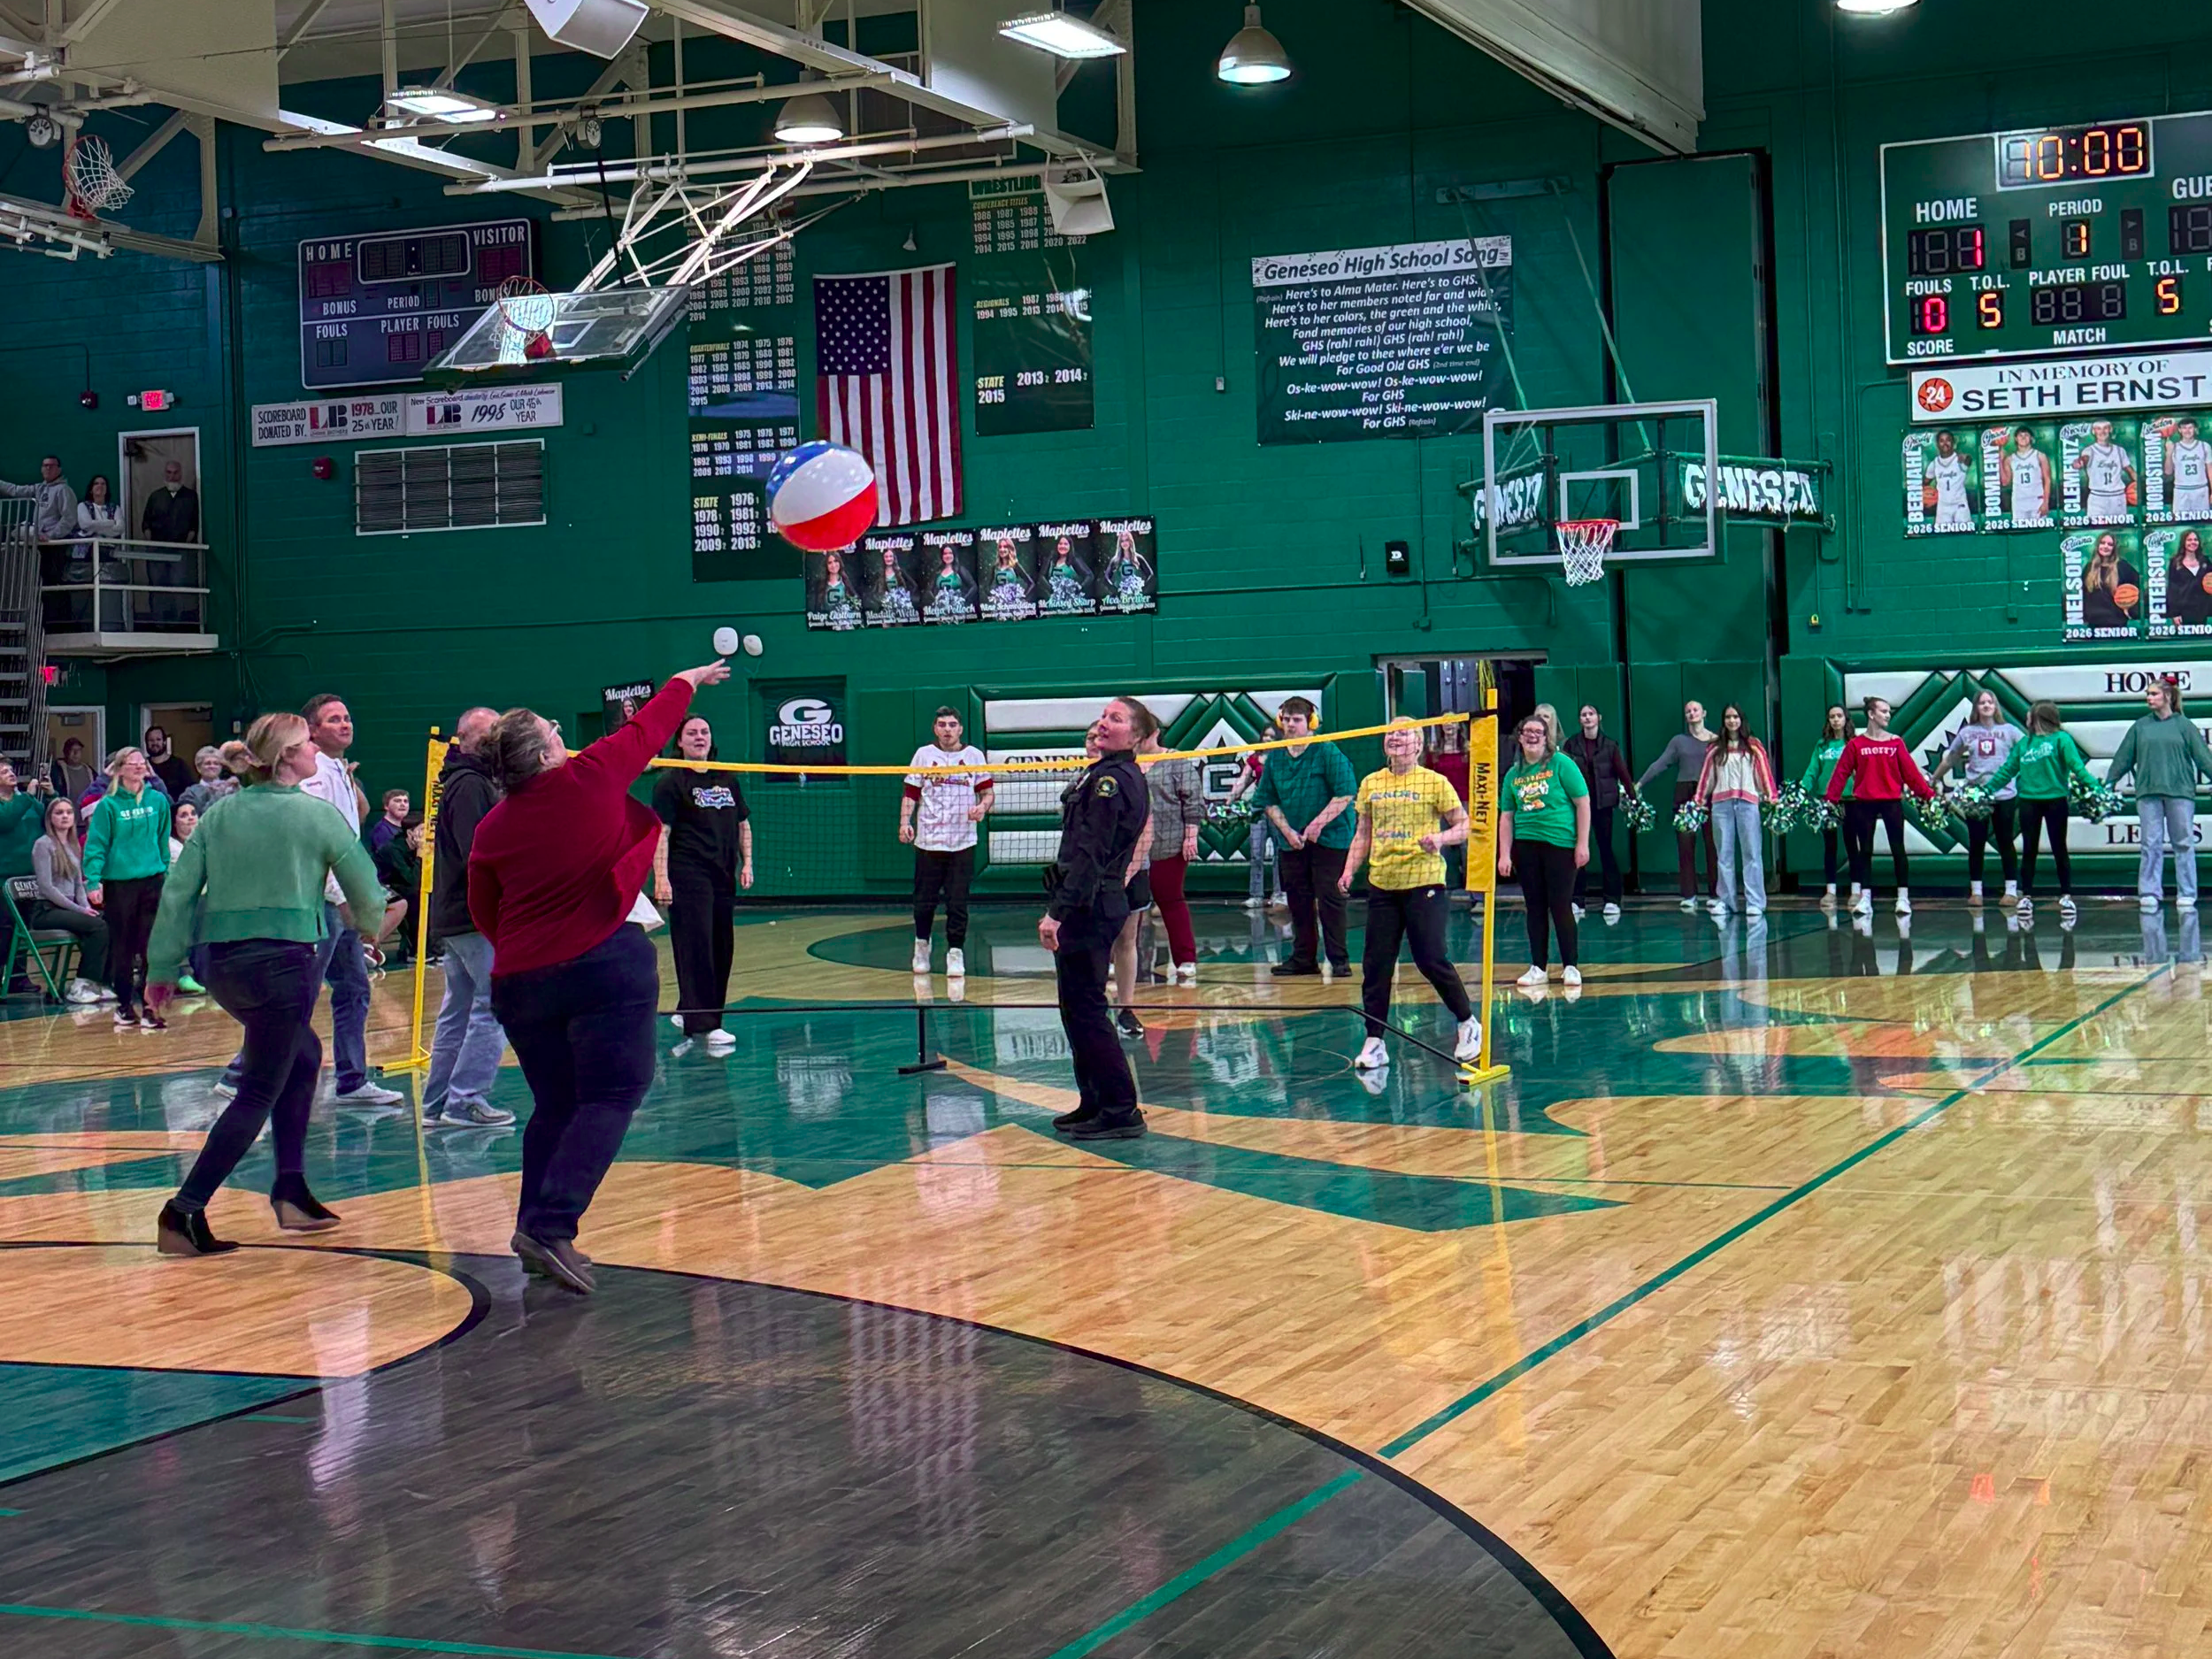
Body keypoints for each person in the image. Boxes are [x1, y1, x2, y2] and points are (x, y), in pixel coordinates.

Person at [470, 658, 731, 1292]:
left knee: (555, 1103)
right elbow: (648, 728)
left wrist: (525, 950)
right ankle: (550, 1225)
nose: (563, 734)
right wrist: (687, 680)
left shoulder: (492, 826)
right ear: (545, 754)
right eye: (554, 730)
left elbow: (483, 908)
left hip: (520, 980)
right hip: (604, 964)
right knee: (614, 1092)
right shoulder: (589, 775)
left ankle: (533, 1228)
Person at [142, 713, 395, 1256]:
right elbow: (365, 890)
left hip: (220, 963)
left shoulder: (219, 814)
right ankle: (183, 1212)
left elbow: (178, 892)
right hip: (283, 962)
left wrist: (161, 969)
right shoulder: (317, 815)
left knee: (304, 1055)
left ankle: (291, 1190)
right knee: (259, 1089)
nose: (315, 751)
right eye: (307, 744)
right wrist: (371, 928)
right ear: (286, 759)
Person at [1038, 696, 1152, 1142]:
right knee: (1076, 1010)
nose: (1104, 723)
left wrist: (1057, 913)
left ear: (1136, 736)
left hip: (1091, 904)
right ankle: (1095, 1100)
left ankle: (1121, 1109)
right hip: (1089, 901)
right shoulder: (1102, 773)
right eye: (1103, 716)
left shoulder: (1112, 782)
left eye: (1116, 719)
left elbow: (1090, 854)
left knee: (1088, 1010)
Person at [1337, 720, 1479, 1069]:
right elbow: (1363, 834)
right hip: (1383, 884)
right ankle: (1375, 1041)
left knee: (1430, 958)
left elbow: (1464, 825)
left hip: (1424, 881)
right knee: (1376, 965)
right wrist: (1348, 870)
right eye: (1390, 733)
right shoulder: (1371, 783)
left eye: (1403, 733)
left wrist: (1440, 839)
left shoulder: (1434, 782)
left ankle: (1467, 1022)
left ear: (1418, 744)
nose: (1395, 737)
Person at [422, 707, 514, 1129]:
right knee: (494, 1005)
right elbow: (477, 852)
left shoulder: (466, 781)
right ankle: (465, 1100)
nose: (495, 740)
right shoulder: (471, 786)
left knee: (457, 1010)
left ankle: (437, 1103)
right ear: (465, 740)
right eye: (487, 734)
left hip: (456, 916)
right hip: (472, 916)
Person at [651, 710, 753, 1054]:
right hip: (688, 873)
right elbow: (661, 833)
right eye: (692, 732)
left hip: (723, 873)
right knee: (696, 947)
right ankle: (705, 1025)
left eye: (704, 732)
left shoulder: (727, 778)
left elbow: (743, 824)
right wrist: (661, 877)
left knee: (721, 946)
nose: (699, 737)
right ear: (680, 742)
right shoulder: (670, 782)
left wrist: (748, 862)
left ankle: (690, 1010)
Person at [1252, 696, 1356, 977]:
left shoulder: (1326, 750)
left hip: (1331, 838)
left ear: (1311, 723)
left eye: (1296, 720)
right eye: (1286, 719)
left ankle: (1339, 960)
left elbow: (1345, 792)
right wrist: (1287, 831)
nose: (1290, 725)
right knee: (1298, 900)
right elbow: (1267, 799)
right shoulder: (1276, 756)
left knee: (1330, 899)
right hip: (1292, 841)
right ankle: (1303, 959)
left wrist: (1317, 825)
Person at [1982, 701, 2096, 923]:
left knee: (2059, 847)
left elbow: (2077, 767)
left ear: (2038, 718)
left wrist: (2096, 789)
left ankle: (2066, 896)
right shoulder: (2024, 744)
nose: (2026, 719)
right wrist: (1985, 791)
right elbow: (2007, 771)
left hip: (2056, 800)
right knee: (2029, 849)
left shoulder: (2062, 739)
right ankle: (2026, 896)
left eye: (2029, 715)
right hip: (2029, 802)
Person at [2104, 675, 2212, 911]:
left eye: (2153, 694)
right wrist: (2109, 782)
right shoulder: (2140, 726)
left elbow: (2203, 757)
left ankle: (2187, 892)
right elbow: (2124, 757)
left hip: (2180, 791)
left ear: (2168, 696)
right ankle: (2150, 891)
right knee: (2150, 843)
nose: (2148, 698)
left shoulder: (2185, 726)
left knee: (2183, 843)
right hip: (2148, 792)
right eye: (2147, 694)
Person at [1824, 695, 1935, 918]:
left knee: (1898, 849)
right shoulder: (1856, 744)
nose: (1888, 715)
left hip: (1891, 802)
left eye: (1889, 711)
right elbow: (1841, 773)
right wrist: (1831, 799)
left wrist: (1928, 795)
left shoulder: (1896, 743)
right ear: (1871, 714)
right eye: (1883, 711)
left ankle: (1903, 897)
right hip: (1864, 803)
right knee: (1865, 850)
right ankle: (1865, 898)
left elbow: (1911, 774)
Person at [82, 747, 170, 1028]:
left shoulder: (157, 800)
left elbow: (162, 839)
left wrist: (164, 871)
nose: (139, 767)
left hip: (152, 880)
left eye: (141, 762)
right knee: (123, 946)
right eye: (132, 763)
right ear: (119, 769)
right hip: (119, 884)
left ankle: (150, 1008)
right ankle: (123, 1005)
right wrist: (93, 880)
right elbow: (96, 845)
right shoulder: (108, 806)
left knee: (151, 947)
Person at [1499, 714, 1589, 987]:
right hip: (1526, 846)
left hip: (1560, 844)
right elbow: (1506, 817)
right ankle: (1538, 967)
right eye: (1527, 731)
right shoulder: (1513, 774)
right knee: (1535, 907)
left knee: (1560, 905)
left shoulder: (1562, 764)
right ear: (1520, 737)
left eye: (1538, 731)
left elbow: (1583, 803)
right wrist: (1504, 854)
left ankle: (1570, 966)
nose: (1532, 735)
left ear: (1546, 737)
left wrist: (1582, 843)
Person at [900, 706, 990, 978]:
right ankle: (921, 947)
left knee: (957, 903)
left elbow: (987, 793)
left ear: (960, 729)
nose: (947, 729)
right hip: (929, 842)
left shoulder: (974, 756)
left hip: (962, 842)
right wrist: (905, 822)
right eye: (942, 724)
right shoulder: (924, 755)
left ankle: (955, 953)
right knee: (924, 902)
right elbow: (910, 794)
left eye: (952, 725)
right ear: (935, 729)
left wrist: (982, 807)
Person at [1930, 689, 2023, 906]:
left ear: (1996, 706)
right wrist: (1934, 778)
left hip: (2004, 795)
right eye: (1982, 703)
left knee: (2005, 841)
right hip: (1976, 796)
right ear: (1976, 708)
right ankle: (1976, 892)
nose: (1986, 705)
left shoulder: (2010, 731)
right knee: (1976, 842)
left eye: (1990, 702)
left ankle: (2011, 890)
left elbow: (2026, 751)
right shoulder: (1968, 733)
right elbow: (1951, 758)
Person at [1694, 705, 1778, 917]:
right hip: (1721, 806)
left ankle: (1755, 902)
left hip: (1748, 804)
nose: (1732, 721)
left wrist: (1771, 795)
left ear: (1742, 719)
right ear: (1724, 721)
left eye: (1736, 716)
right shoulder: (1715, 748)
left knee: (1752, 853)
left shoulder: (1753, 745)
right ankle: (1726, 902)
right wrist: (1699, 799)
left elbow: (1764, 772)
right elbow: (1706, 776)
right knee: (1724, 855)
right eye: (1728, 717)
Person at [1637, 701, 1717, 909]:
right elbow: (1660, 763)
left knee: (1713, 844)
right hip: (1684, 793)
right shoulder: (1678, 741)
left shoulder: (1716, 741)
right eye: (1688, 711)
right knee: (1685, 845)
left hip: (1709, 793)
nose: (1692, 713)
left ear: (1704, 713)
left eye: (1695, 710)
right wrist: (1640, 783)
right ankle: (1689, 895)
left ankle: (1716, 894)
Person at [27, 796, 107, 1005]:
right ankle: (82, 984)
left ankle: (101, 982)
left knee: (106, 920)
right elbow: (47, 888)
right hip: (46, 911)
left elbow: (78, 885)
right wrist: (79, 911)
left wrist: (86, 908)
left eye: (69, 812)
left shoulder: (73, 845)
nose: (65, 816)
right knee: (98, 927)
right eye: (59, 813)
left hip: (69, 909)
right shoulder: (43, 844)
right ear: (50, 818)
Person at [1141, 727, 1205, 984]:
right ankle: (1115, 960)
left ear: (1154, 733)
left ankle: (1186, 959)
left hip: (1168, 842)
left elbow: (1193, 800)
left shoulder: (1176, 761)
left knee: (1170, 900)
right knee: (1125, 906)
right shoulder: (1126, 763)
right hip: (1132, 847)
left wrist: (1191, 836)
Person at [1563, 704, 1630, 920]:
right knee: (1578, 849)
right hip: (1578, 805)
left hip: (1603, 805)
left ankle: (1612, 899)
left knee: (1606, 849)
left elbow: (1622, 772)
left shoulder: (1610, 745)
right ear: (1580, 720)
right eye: (1583, 714)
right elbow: (1565, 771)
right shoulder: (1572, 744)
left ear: (1599, 718)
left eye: (1591, 714)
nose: (1587, 717)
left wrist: (1633, 796)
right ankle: (1576, 899)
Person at [1800, 705, 1852, 906]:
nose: (1836, 720)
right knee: (1830, 846)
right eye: (1832, 717)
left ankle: (1857, 890)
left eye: (1839, 716)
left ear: (1846, 719)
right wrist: (1801, 790)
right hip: (1826, 799)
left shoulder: (1853, 743)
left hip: (1850, 798)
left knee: (1852, 844)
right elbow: (1812, 770)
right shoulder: (1822, 745)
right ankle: (1831, 890)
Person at [1225, 724, 1281, 910]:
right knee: (1256, 853)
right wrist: (1230, 799)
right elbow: (1243, 781)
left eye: (1272, 737)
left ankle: (1279, 894)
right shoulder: (1254, 759)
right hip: (1258, 809)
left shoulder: (1283, 758)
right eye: (1265, 735)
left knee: (1279, 854)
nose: (1267, 739)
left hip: (1279, 809)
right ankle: (1256, 895)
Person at [374, 815, 423, 967]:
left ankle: (430, 946)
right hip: (381, 886)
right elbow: (411, 879)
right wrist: (421, 855)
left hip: (400, 886)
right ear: (410, 833)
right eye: (423, 830)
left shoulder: (424, 847)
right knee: (414, 895)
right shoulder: (393, 849)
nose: (429, 835)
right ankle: (414, 949)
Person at [0, 454, 78, 541]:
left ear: (59, 470)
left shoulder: (64, 490)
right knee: (15, 532)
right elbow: (16, 490)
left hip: (55, 541)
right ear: (41, 469)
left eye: (52, 466)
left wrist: (51, 535)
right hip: (40, 538)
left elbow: (69, 518)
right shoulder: (40, 488)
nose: (48, 468)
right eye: (45, 465)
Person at [2075, 419, 2135, 524]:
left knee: (2120, 529)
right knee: (2096, 529)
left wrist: (2141, 484)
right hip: (2098, 498)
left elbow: (2130, 471)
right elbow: (2084, 458)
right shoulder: (2089, 450)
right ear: (2094, 431)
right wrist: (2079, 462)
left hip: (2118, 497)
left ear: (2110, 430)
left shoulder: (2120, 450)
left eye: (2105, 428)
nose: (2102, 432)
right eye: (2099, 429)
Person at [0, 757, 50, 879]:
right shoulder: (26, 799)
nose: (11, 774)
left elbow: (51, 821)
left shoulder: (29, 801)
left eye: (12, 771)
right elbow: (6, 820)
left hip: (36, 872)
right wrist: (28, 796)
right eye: (4, 772)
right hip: (5, 876)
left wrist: (51, 795)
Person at [2081, 533, 2140, 629]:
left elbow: (2139, 585)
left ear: (2114, 548)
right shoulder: (2089, 568)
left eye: (2110, 544)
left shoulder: (2122, 566)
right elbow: (2083, 595)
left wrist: (2130, 610)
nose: (2106, 546)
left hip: (2117, 623)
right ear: (2098, 545)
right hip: (2094, 623)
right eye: (2102, 543)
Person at [142, 458, 200, 543]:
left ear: (181, 474)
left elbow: (194, 526)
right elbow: (146, 524)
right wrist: (152, 544)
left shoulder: (191, 497)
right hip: (158, 548)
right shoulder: (155, 497)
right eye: (169, 472)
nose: (172, 477)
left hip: (184, 547)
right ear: (164, 474)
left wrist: (185, 545)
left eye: (175, 473)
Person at [2006, 427, 2053, 523]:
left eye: (2026, 435)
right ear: (2016, 438)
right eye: (2020, 435)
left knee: (2039, 529)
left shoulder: (2040, 456)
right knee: (2020, 530)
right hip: (2019, 501)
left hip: (2036, 500)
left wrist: (2045, 502)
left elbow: (2047, 480)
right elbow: (2005, 481)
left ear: (2031, 438)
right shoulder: (2010, 459)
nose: (2023, 438)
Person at [2166, 529, 2212, 626]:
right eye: (2189, 540)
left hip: (2203, 610)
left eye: (2195, 540)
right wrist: (2175, 613)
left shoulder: (2205, 561)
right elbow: (2172, 590)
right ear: (2184, 542)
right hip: (2183, 611)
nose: (2193, 542)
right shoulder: (2175, 563)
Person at [2170, 417, 2212, 518]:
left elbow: (2210, 470)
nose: (2187, 431)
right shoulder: (2174, 448)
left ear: (2195, 429)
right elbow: (2168, 471)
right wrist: (2168, 453)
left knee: (2202, 521)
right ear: (2179, 430)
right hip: (2181, 489)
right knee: (2179, 520)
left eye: (2190, 427)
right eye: (2184, 428)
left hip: (2200, 489)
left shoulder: (2204, 446)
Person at [179, 746, 238, 814]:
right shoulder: (191, 793)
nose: (212, 766)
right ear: (198, 768)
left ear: (221, 767)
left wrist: (238, 789)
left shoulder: (230, 788)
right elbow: (200, 816)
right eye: (208, 763)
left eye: (216, 763)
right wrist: (220, 793)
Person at [142, 726, 192, 799]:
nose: (155, 743)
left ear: (164, 742)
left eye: (158, 739)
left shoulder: (179, 764)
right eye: (151, 740)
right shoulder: (143, 765)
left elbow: (190, 789)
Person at [49, 736, 93, 806]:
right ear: (65, 752)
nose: (75, 753)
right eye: (72, 750)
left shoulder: (91, 772)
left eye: (78, 750)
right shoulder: (57, 772)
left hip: (86, 811)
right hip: (65, 810)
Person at [75, 473, 121, 538]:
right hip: (89, 544)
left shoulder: (115, 508)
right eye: (96, 483)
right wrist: (111, 523)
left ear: (107, 489)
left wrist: (94, 529)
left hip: (110, 544)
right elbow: (86, 525)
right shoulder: (83, 506)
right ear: (91, 490)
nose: (100, 486)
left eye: (103, 484)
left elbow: (120, 528)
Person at [365, 788, 411, 853]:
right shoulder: (381, 830)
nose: (403, 804)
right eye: (397, 801)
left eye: (406, 801)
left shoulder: (407, 828)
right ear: (386, 806)